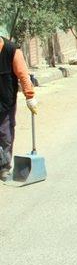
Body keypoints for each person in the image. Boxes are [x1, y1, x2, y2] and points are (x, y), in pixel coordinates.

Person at [0, 29, 38, 181]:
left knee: (5, 134)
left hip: (5, 101)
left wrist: (30, 96)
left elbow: (23, 75)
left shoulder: (13, 51)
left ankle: (4, 167)